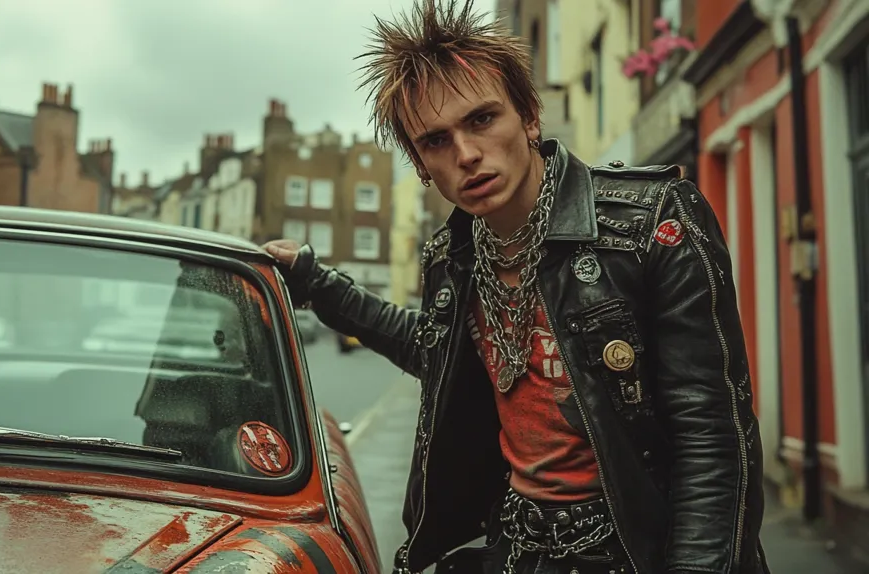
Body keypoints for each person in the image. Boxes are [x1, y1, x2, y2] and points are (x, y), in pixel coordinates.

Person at [264, 1, 770, 573]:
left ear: (529, 117)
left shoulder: (652, 224)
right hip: (519, 547)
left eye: (482, 119)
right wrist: (315, 283)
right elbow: (434, 347)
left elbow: (711, 439)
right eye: (435, 141)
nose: (466, 154)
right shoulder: (453, 257)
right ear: (420, 164)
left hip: (634, 549)